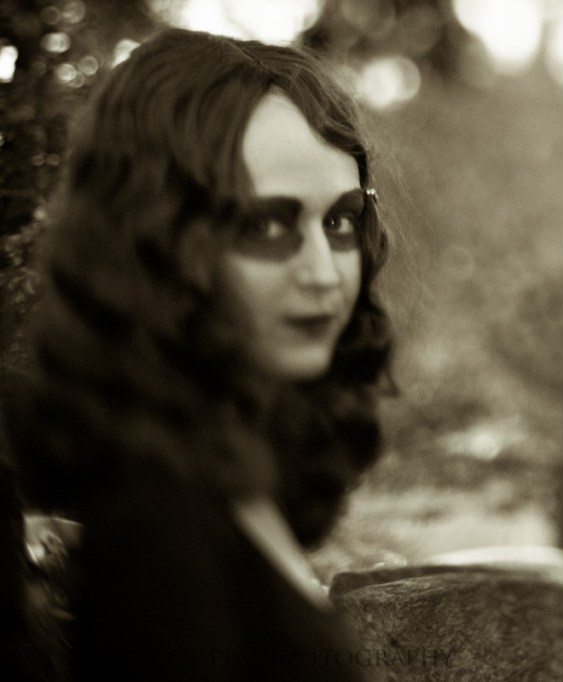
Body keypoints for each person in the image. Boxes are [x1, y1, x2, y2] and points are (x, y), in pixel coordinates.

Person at [4, 27, 393, 680]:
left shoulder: (224, 478)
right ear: (162, 238)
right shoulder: (159, 532)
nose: (324, 273)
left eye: (339, 220)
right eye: (268, 224)